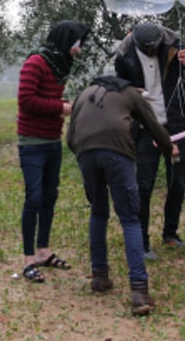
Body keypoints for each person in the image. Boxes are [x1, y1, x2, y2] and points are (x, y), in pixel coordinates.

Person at [66, 73, 178, 315]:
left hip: (85, 153)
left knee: (98, 212)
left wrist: (85, 155)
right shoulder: (130, 94)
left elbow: (70, 138)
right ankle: (139, 292)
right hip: (117, 153)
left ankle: (100, 276)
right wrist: (169, 149)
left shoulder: (84, 94)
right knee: (130, 219)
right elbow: (153, 125)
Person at [112, 21, 185, 260]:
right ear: (137, 43)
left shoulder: (172, 42)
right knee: (143, 185)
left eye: (156, 48)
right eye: (148, 49)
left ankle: (171, 234)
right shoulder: (124, 54)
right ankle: (142, 242)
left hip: (177, 123)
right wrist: (132, 92)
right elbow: (120, 87)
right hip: (146, 127)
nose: (153, 52)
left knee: (178, 182)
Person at [16, 20, 90, 282]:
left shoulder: (59, 66)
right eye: (76, 44)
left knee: (50, 196)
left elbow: (47, 99)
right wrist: (60, 107)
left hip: (51, 142)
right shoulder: (36, 62)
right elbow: (25, 100)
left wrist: (63, 106)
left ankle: (42, 252)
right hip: (32, 144)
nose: (77, 50)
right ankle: (27, 259)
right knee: (34, 197)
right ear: (64, 41)